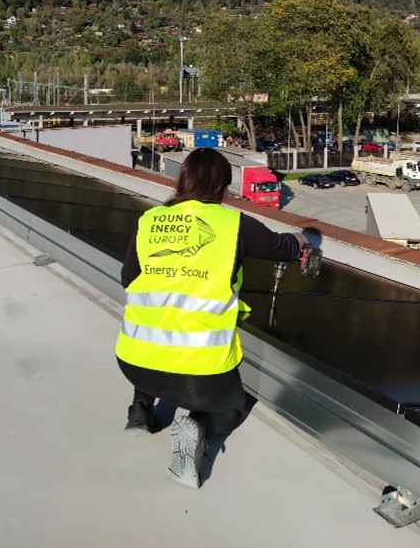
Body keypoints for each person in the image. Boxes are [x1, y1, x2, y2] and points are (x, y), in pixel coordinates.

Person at [114, 147, 321, 488]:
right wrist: (306, 237)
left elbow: (128, 279)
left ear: (183, 180)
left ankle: (139, 411)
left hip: (132, 363)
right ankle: (199, 426)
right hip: (199, 376)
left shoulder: (149, 220)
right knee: (233, 406)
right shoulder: (232, 225)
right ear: (224, 186)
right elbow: (281, 247)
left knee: (160, 333)